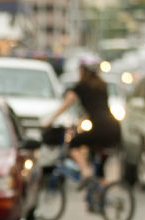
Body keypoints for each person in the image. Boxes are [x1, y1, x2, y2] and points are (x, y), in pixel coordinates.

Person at [43, 56, 121, 187]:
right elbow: (97, 110)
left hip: (99, 128)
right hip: (114, 128)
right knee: (98, 162)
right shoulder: (103, 86)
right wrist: (80, 122)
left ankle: (85, 172)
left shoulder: (81, 87)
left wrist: (49, 120)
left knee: (73, 144)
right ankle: (101, 194)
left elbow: (65, 105)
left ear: (83, 71)